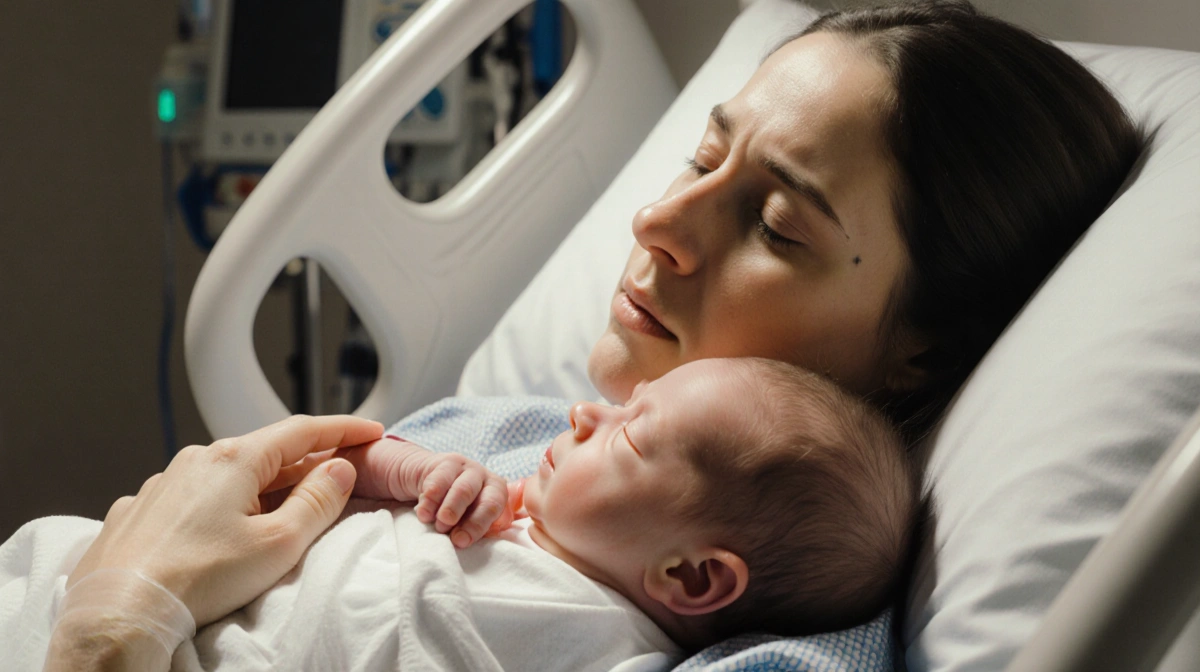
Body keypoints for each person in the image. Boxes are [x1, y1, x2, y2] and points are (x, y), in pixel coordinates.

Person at [34, 1, 1144, 668]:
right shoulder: (503, 427)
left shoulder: (787, 635)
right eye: (701, 158)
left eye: (775, 224)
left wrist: (112, 625)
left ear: (923, 349)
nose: (657, 220)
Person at [11, 358, 912, 670]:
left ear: (692, 575)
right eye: (621, 403)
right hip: (118, 602)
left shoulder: (615, 653)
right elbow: (332, 472)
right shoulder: (493, 498)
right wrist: (407, 471)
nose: (585, 413)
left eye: (632, 437)